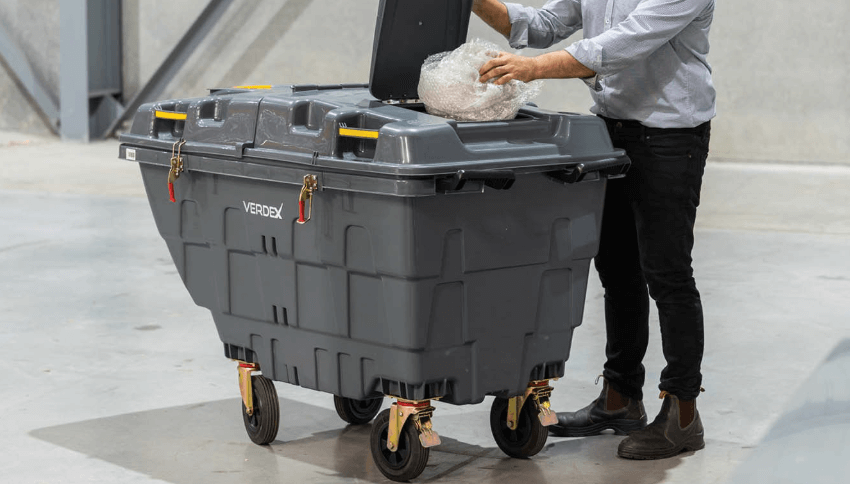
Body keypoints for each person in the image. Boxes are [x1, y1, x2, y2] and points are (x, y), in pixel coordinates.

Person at [472, 0, 715, 460]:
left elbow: (619, 46)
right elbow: (540, 25)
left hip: (670, 138)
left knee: (667, 274)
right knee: (617, 268)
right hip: (612, 129)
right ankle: (620, 398)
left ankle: (683, 413)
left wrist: (532, 68)